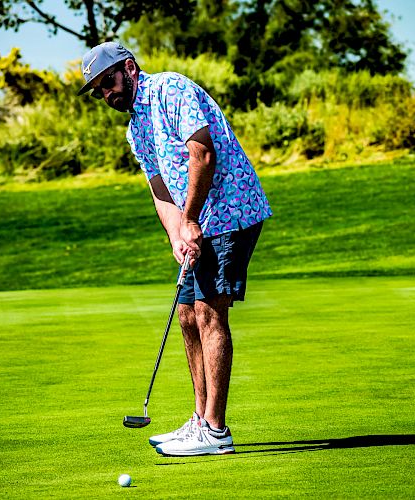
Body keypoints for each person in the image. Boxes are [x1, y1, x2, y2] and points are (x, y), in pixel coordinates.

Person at [78, 42, 272, 457]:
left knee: (209, 310)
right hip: (197, 219)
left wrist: (190, 220)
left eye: (108, 82)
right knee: (186, 314)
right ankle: (199, 420)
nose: (107, 94)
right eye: (98, 91)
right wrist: (177, 235)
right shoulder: (135, 127)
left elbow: (202, 153)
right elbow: (160, 187)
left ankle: (216, 432)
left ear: (129, 68)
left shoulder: (170, 90)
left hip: (230, 210)